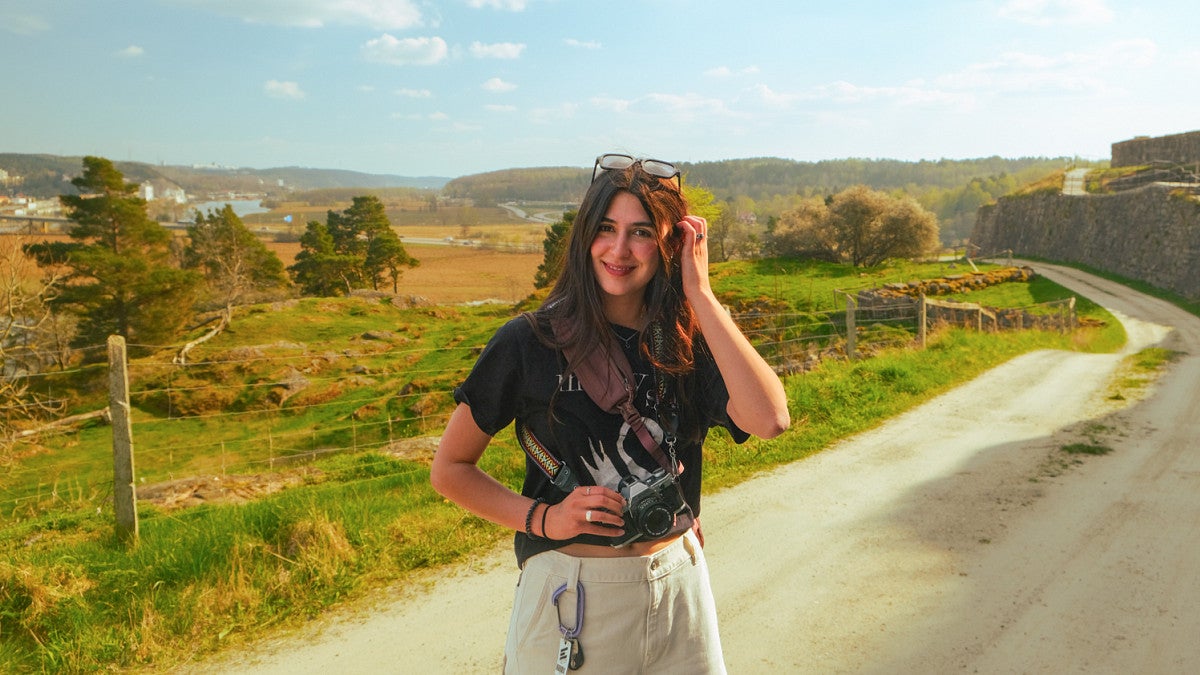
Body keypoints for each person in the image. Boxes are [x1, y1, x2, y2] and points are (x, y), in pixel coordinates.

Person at [430, 153, 790, 673]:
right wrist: (546, 518)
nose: (619, 250)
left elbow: (770, 418)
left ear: (671, 244)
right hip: (569, 596)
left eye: (641, 232)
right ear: (584, 237)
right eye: (605, 228)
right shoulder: (529, 342)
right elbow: (450, 470)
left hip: (679, 586)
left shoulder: (689, 342)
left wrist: (702, 295)